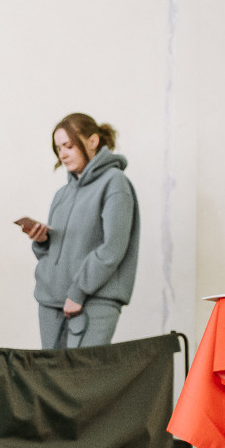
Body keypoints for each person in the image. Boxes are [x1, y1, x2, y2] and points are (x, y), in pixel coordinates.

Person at [25, 113, 139, 349]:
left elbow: (113, 247)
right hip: (51, 303)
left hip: (92, 301)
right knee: (50, 383)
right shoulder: (62, 194)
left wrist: (78, 292)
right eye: (58, 148)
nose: (62, 154)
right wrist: (43, 241)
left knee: (83, 381)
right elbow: (56, 253)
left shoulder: (114, 182)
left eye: (68, 145)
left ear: (93, 141)